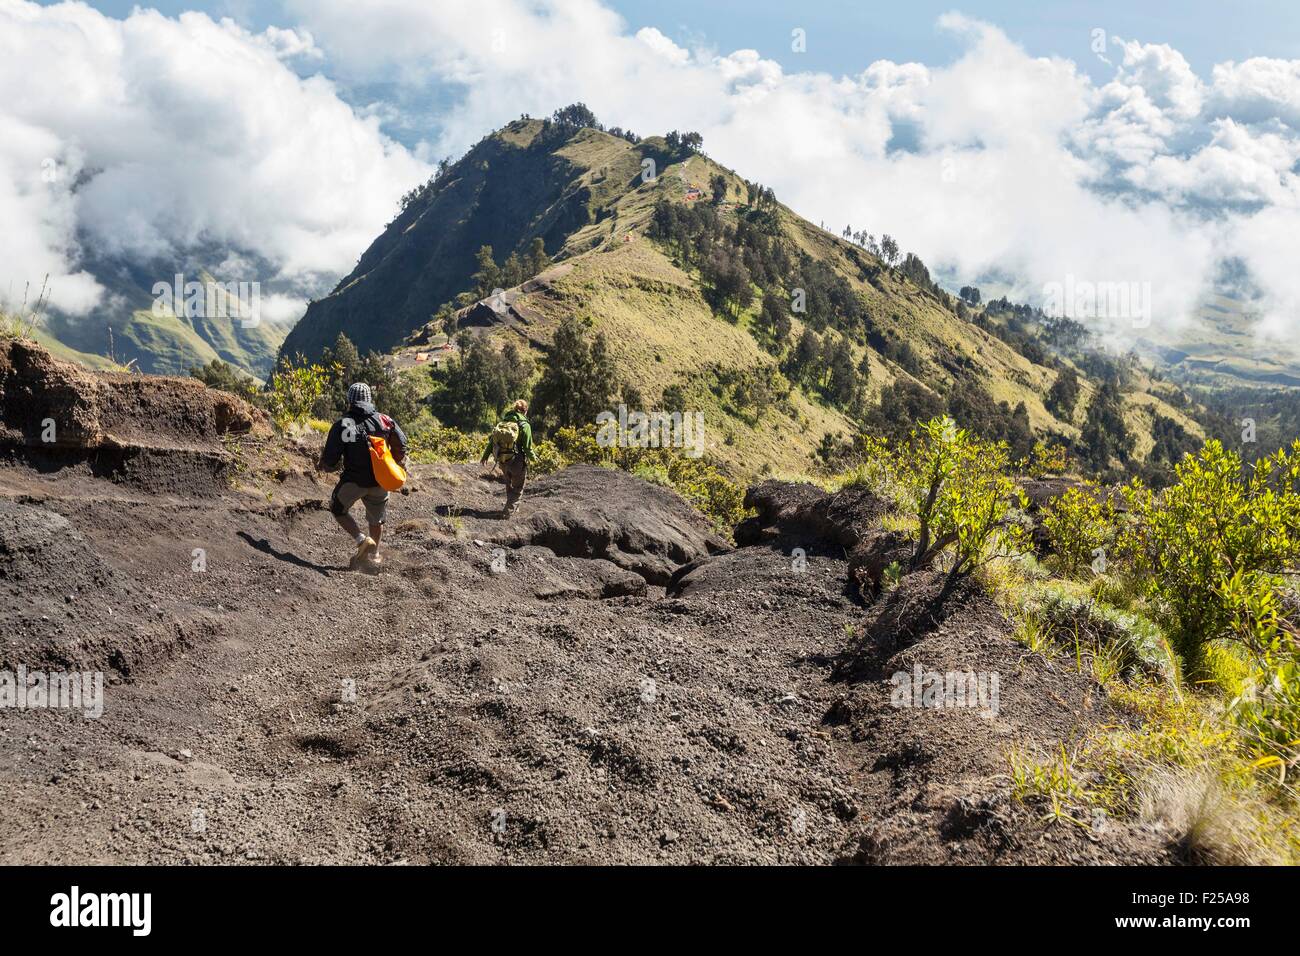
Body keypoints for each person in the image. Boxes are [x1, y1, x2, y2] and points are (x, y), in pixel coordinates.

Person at [318, 382, 408, 570]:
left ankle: (361, 540)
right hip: (381, 481)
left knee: (337, 508)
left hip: (354, 481)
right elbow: (401, 444)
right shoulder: (385, 420)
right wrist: (397, 463)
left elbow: (330, 459)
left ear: (350, 400)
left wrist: (326, 466)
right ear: (369, 399)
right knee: (376, 519)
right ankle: (374, 556)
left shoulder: (343, 424)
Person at [481, 399, 535, 517]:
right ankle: (507, 513)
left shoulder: (503, 422)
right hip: (517, 461)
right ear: (525, 411)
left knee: (509, 484)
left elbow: (492, 442)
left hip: (503, 460)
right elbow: (527, 447)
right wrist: (535, 459)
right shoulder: (525, 425)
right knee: (518, 487)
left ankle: (513, 508)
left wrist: (485, 456)